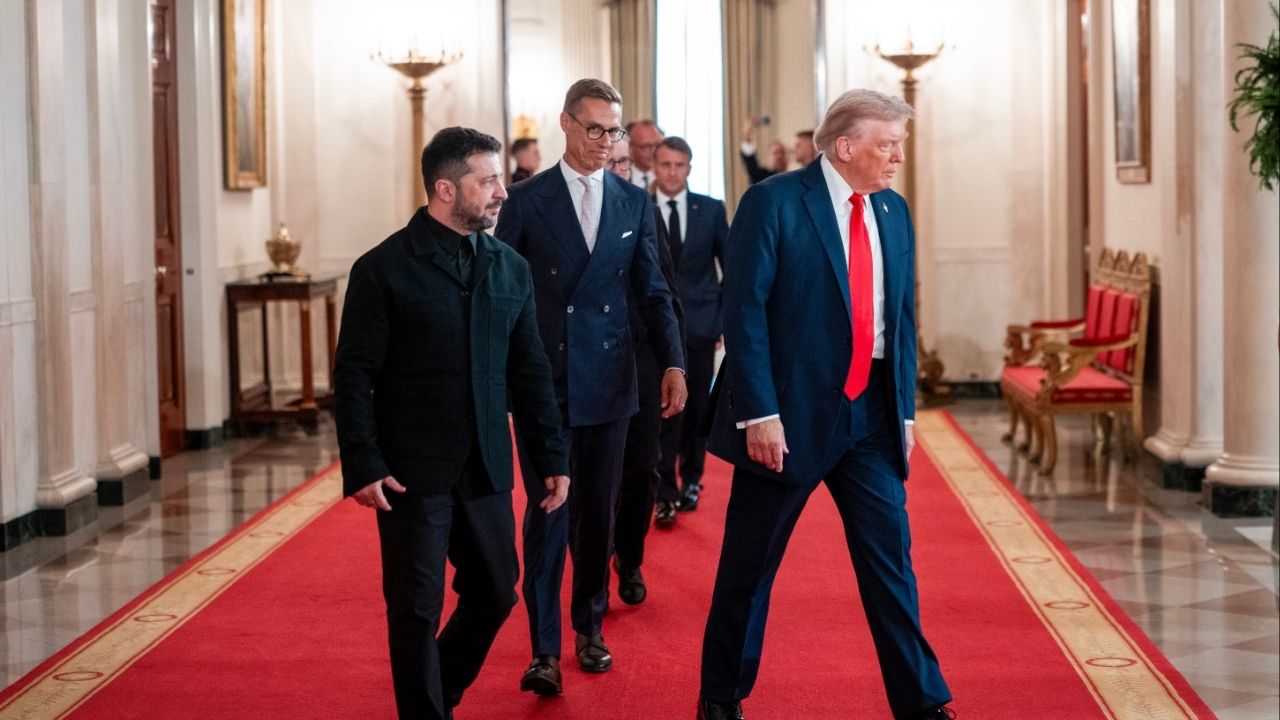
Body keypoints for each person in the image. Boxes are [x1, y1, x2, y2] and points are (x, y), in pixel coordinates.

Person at [697, 90, 954, 720]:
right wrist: (759, 412)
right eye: (888, 143)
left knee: (891, 569)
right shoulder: (775, 202)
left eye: (900, 143)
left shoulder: (893, 210)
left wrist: (906, 411)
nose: (899, 156)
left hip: (870, 420)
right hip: (787, 420)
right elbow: (744, 310)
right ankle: (721, 699)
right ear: (845, 146)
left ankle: (922, 704)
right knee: (750, 571)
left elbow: (901, 317)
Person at [333, 127, 571, 720]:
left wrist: (551, 459)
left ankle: (437, 690)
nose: (502, 193)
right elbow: (354, 375)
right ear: (445, 188)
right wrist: (362, 462)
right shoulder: (382, 269)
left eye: (500, 179)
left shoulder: (509, 268)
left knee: (495, 591)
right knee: (416, 607)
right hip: (410, 470)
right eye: (488, 181)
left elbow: (531, 372)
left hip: (486, 464)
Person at [496, 78, 687, 695]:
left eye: (615, 131)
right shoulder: (525, 200)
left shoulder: (634, 203)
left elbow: (654, 292)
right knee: (549, 513)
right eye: (597, 129)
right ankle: (543, 650)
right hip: (544, 384)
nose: (607, 142)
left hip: (611, 381)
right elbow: (503, 296)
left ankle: (590, 627)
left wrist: (676, 363)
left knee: (597, 514)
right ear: (567, 125)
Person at [609, 136, 685, 605]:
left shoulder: (642, 209)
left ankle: (630, 558)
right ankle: (590, 571)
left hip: (640, 361)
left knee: (641, 470)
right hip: (582, 365)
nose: (617, 169)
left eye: (623, 163)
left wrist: (674, 361)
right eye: (610, 162)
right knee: (589, 475)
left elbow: (664, 292)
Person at [651, 136, 728, 526]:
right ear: (654, 164)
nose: (671, 172)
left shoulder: (710, 210)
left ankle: (692, 479)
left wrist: (723, 322)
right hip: (653, 331)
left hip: (700, 326)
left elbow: (730, 267)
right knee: (664, 412)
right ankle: (663, 490)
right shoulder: (638, 207)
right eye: (665, 164)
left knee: (697, 410)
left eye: (679, 165)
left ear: (689, 168)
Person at [739, 117, 789, 184]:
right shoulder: (762, 178)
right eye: (775, 153)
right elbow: (751, 164)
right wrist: (747, 136)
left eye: (782, 152)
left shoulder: (795, 179)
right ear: (767, 158)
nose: (779, 156)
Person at [627, 119, 664, 190]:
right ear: (630, 147)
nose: (654, 151)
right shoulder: (620, 177)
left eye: (658, 145)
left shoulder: (671, 179)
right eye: (647, 146)